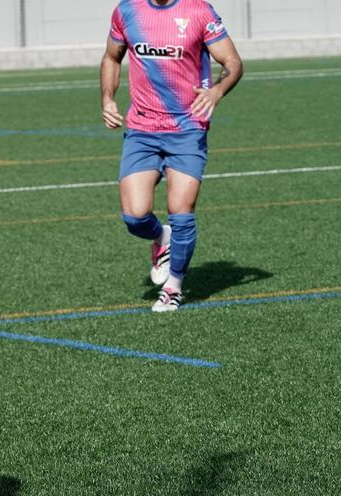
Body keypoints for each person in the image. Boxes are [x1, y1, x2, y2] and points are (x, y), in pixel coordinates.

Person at [100, 0, 243, 311]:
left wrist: (216, 92)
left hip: (188, 128)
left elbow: (232, 62)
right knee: (134, 216)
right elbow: (112, 57)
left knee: (181, 210)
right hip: (142, 130)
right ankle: (161, 237)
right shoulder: (127, 11)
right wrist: (108, 99)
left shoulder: (199, 11)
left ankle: (174, 286)